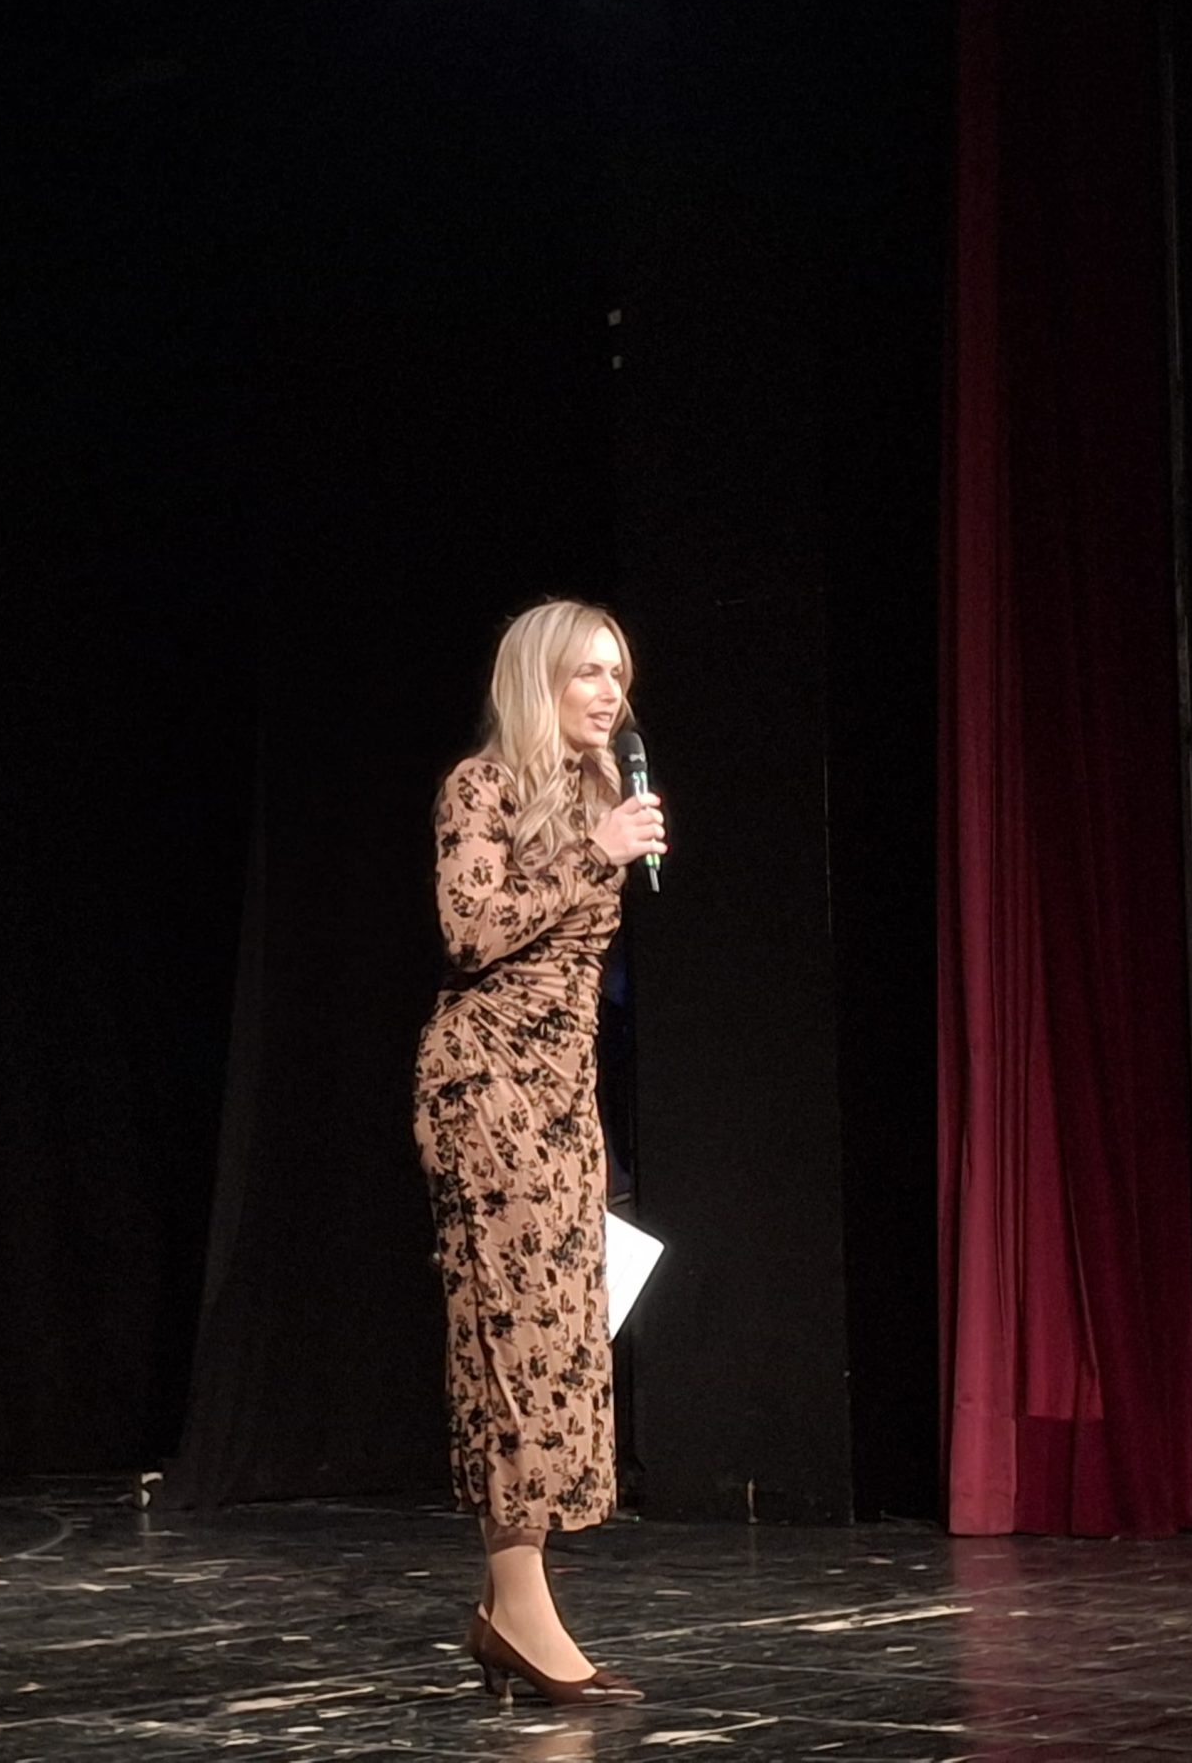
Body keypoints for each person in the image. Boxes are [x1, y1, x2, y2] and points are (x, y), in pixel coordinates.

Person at [412, 599, 668, 1708]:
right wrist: (590, 853)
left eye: (618, 674)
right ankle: (520, 1612)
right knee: (511, 1342)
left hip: (563, 1093)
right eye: (587, 674)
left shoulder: (594, 795)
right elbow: (469, 930)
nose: (611, 694)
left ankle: (506, 1607)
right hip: (485, 1080)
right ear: (537, 681)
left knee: (564, 1339)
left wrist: (600, 834)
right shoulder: (481, 788)